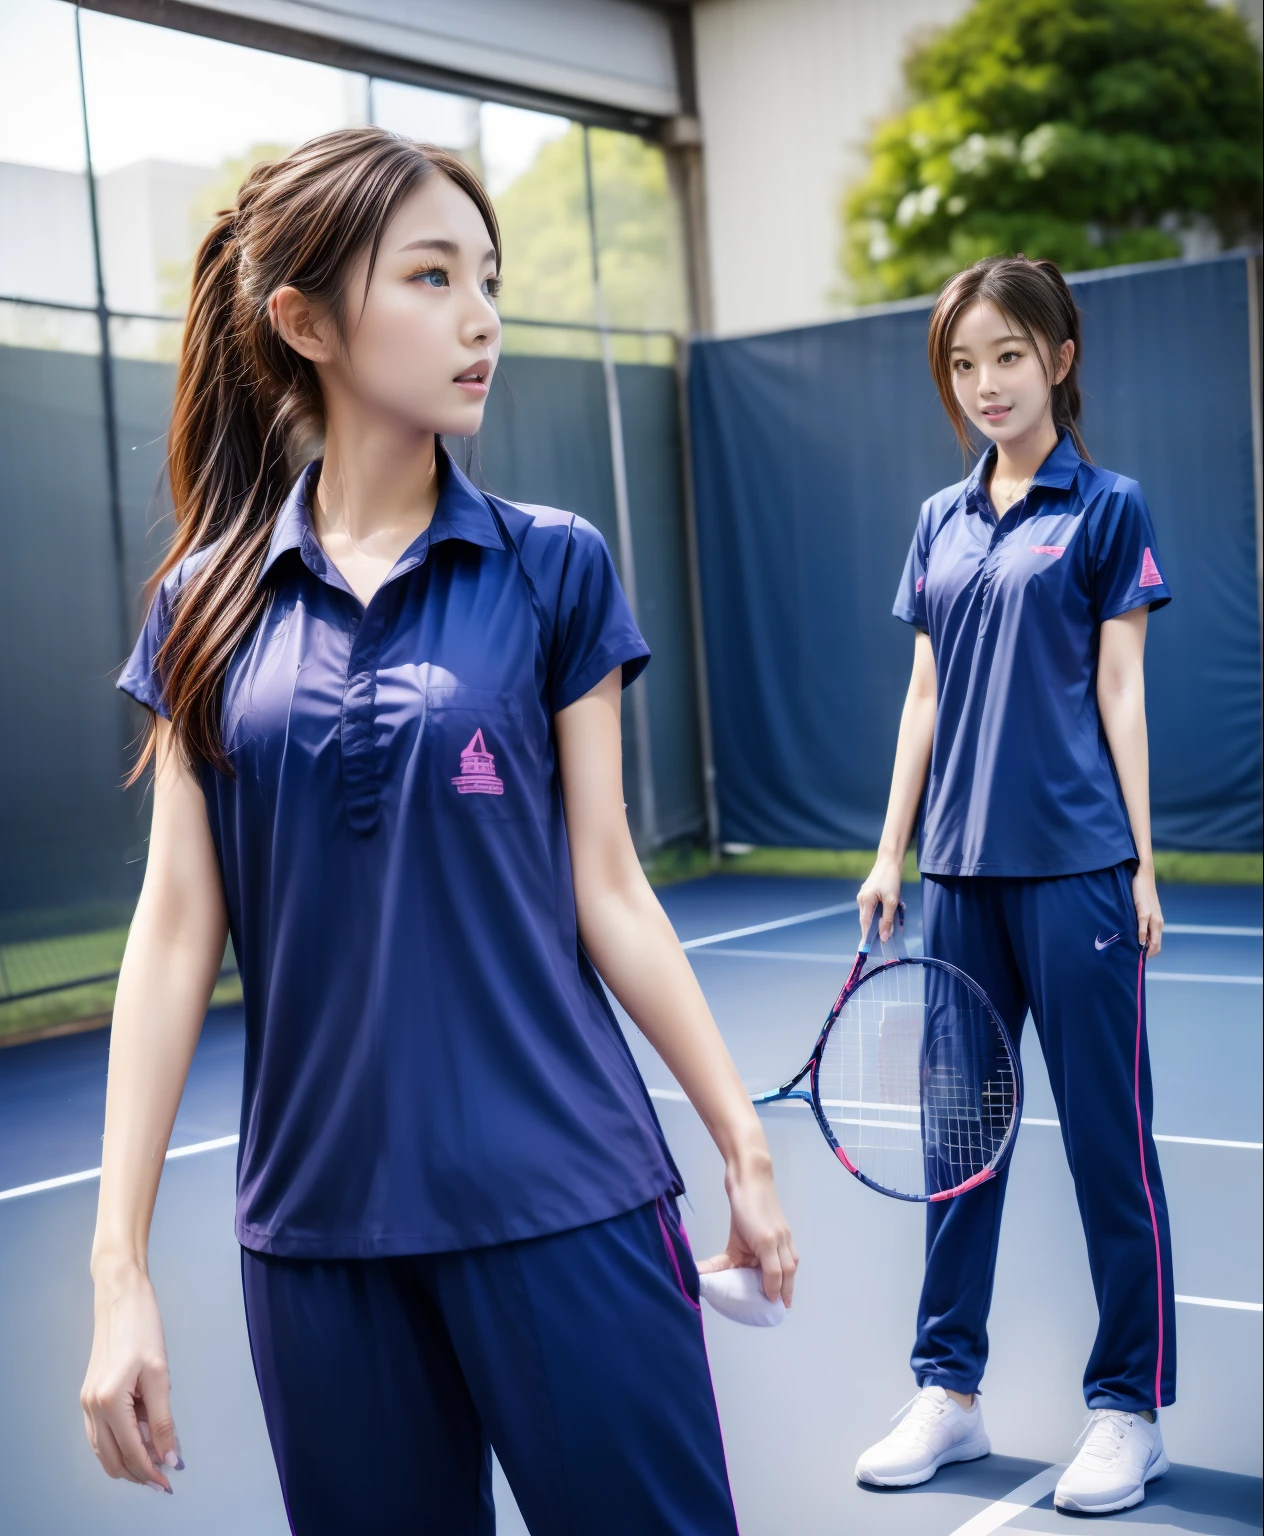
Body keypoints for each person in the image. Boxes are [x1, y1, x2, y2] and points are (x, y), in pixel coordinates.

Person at [80, 128, 797, 1535]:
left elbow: (609, 885)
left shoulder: (556, 566)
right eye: (429, 277)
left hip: (570, 1203)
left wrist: (742, 1142)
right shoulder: (202, 610)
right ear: (305, 322)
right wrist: (120, 1273)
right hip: (318, 1248)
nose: (481, 318)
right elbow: (171, 936)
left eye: (489, 277)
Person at [853, 255, 1175, 1516]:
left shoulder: (1107, 510)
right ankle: (950, 1393)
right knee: (959, 1150)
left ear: (1058, 357)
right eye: (963, 363)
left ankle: (1126, 1409)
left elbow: (1121, 692)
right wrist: (890, 851)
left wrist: (1142, 865)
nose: (985, 383)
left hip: (1079, 876)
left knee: (1110, 1150)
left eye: (1006, 356)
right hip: (957, 886)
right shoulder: (938, 520)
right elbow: (924, 695)